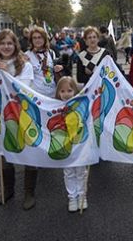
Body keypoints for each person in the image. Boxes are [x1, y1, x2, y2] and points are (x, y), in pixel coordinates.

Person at [0, 29, 36, 210]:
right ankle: (8, 190)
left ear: (15, 45)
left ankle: (29, 192)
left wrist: (6, 71)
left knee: (29, 153)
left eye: (9, 43)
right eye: (2, 43)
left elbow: (25, 90)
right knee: (4, 154)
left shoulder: (25, 65)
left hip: (23, 115)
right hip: (1, 116)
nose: (6, 47)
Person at [54, 76, 90, 212]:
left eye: (69, 90)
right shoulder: (54, 107)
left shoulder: (81, 105)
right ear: (58, 93)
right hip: (65, 146)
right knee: (68, 171)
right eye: (62, 91)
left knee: (81, 171)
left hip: (80, 146)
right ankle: (72, 197)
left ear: (75, 91)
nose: (66, 94)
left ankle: (82, 196)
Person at [25, 27, 63, 97]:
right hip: (37, 96)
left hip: (52, 94)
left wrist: (60, 68)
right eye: (34, 38)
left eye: (40, 37)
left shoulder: (51, 53)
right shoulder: (27, 55)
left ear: (44, 39)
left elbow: (56, 70)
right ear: (31, 40)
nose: (37, 40)